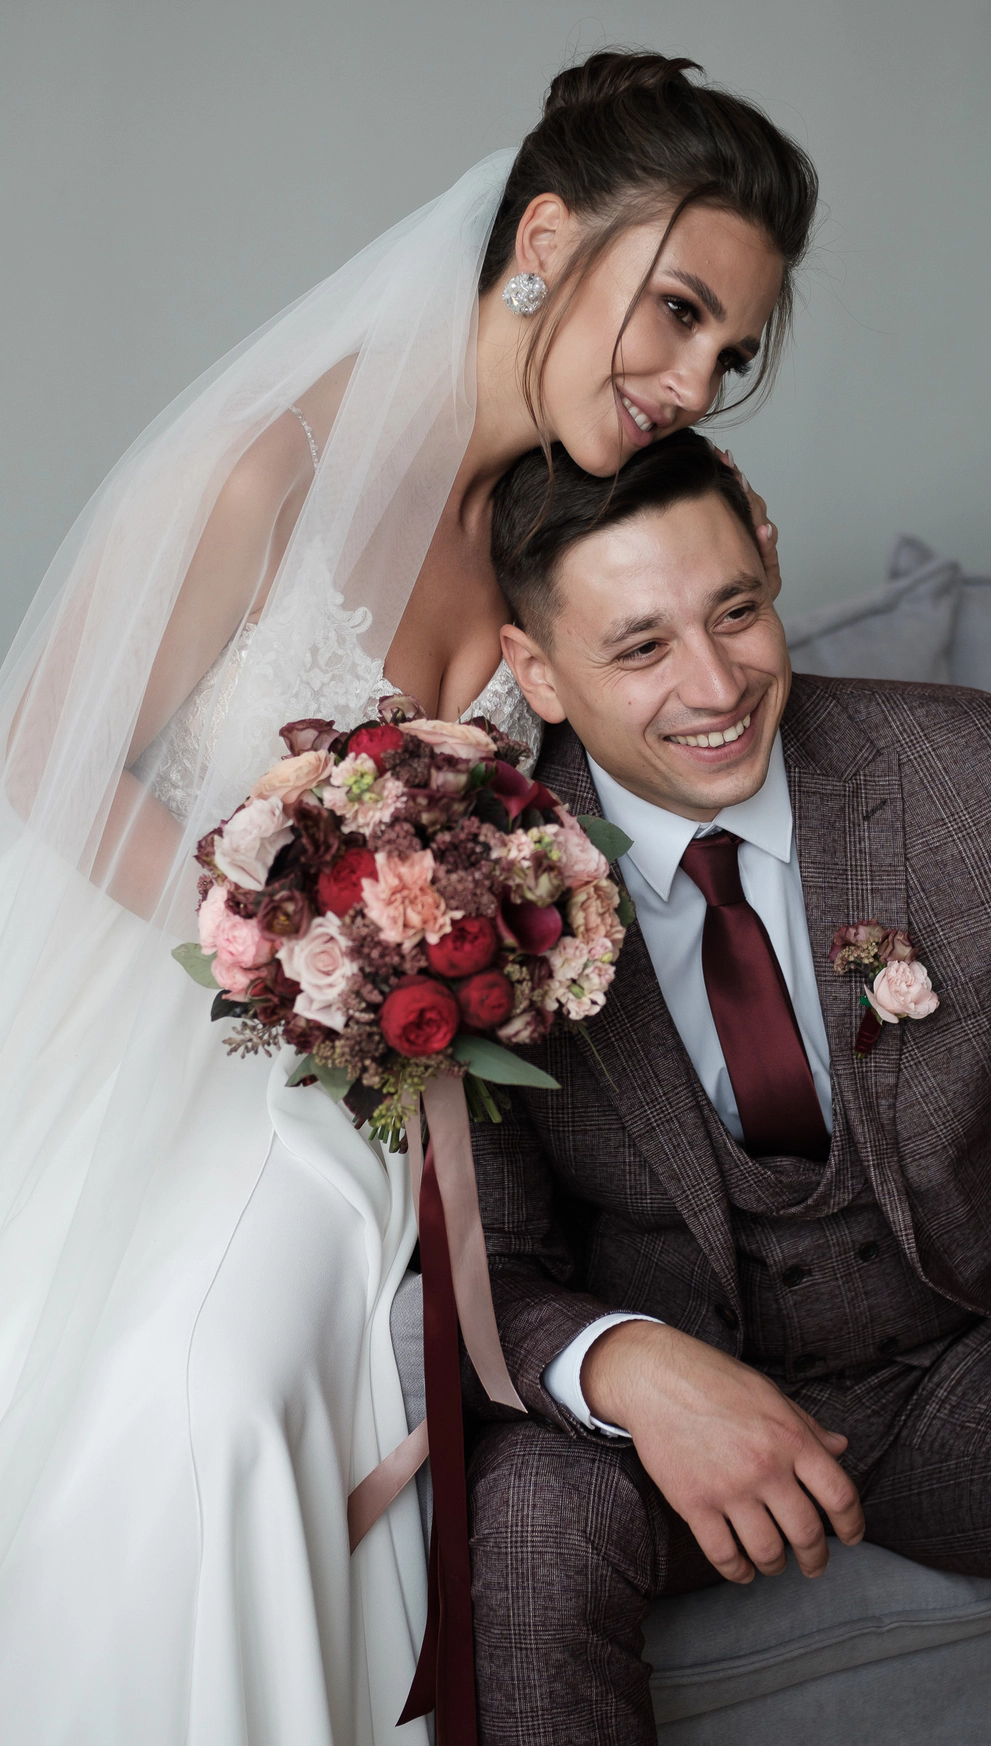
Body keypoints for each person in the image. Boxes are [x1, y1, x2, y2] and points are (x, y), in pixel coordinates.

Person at [0, 52, 818, 1746]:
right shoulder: (270, 470)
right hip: (187, 1029)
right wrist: (294, 952)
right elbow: (41, 762)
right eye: (676, 312)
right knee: (210, 1399)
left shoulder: (548, 526)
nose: (693, 381)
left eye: (729, 352)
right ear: (546, 238)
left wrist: (731, 570)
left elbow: (669, 729)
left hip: (406, 1084)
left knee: (308, 1359)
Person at [467, 429, 991, 1745]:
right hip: (669, 1417)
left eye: (736, 611)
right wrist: (627, 1367)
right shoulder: (468, 887)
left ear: (771, 556)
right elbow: (478, 1264)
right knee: (531, 1528)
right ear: (537, 670)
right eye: (641, 646)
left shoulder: (973, 771)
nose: (716, 684)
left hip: (975, 1359)